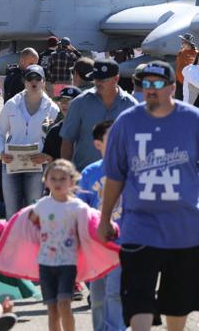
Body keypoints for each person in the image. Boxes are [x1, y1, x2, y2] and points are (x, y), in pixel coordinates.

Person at [97, 61, 199, 331]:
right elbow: (115, 176)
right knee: (138, 301)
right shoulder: (126, 123)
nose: (150, 89)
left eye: (157, 84)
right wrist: (105, 219)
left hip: (186, 227)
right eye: (145, 84)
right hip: (140, 226)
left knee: (178, 302)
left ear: (172, 87)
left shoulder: (194, 120)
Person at [0, 64, 59, 215]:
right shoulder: (12, 105)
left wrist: (47, 156)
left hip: (37, 166)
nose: (33, 82)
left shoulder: (52, 109)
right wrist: (2, 152)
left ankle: (32, 239)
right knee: (12, 213)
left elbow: (55, 139)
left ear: (43, 82)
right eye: (30, 78)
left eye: (38, 78)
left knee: (34, 213)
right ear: (24, 82)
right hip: (11, 164)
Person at [30, 160, 87, 331]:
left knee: (64, 304)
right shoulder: (41, 205)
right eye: (53, 178)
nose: (57, 183)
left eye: (62, 179)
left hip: (68, 263)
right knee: (52, 309)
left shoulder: (78, 206)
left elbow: (87, 228)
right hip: (45, 263)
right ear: (45, 181)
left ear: (72, 181)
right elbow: (29, 222)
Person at [78, 121, 122, 331]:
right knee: (97, 296)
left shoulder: (132, 169)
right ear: (98, 144)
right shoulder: (90, 173)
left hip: (124, 244)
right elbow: (80, 209)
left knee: (115, 293)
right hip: (96, 246)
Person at [61, 59, 136, 171]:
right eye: (96, 78)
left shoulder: (131, 105)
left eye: (103, 79)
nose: (98, 83)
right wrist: (67, 173)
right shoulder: (79, 103)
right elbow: (67, 140)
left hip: (120, 175)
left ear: (116, 79)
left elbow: (137, 142)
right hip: (84, 176)